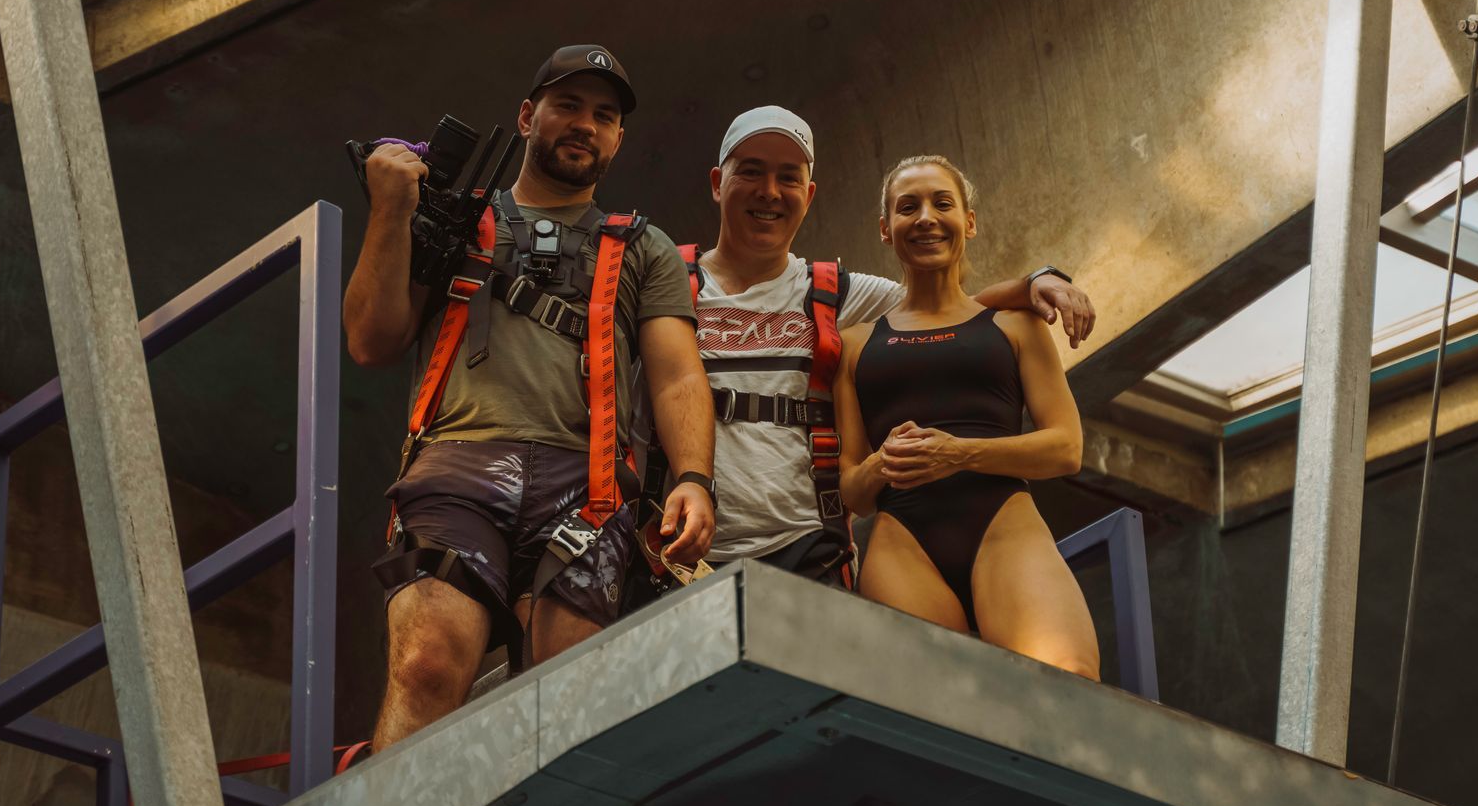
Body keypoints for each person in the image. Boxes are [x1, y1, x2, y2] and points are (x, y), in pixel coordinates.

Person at [345, 45, 717, 751]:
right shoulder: (453, 224)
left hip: (591, 488)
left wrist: (694, 476)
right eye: (568, 105)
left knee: (567, 703)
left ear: (618, 138)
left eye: (603, 116)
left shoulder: (645, 248)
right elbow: (371, 340)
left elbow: (676, 375)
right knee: (425, 667)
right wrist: (391, 214)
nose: (585, 124)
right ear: (526, 116)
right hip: (459, 466)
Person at [647, 108, 1095, 596]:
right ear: (718, 183)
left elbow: (951, 313)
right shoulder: (662, 279)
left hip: (808, 547)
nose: (769, 191)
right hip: (681, 548)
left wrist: (1037, 280)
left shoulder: (841, 293)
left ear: (809, 194)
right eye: (751, 171)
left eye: (788, 177)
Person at [834, 154, 1099, 679]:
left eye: (942, 203)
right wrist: (881, 465)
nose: (926, 217)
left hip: (1003, 523)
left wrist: (957, 453)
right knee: (934, 708)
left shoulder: (1016, 326)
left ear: (969, 222)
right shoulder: (854, 345)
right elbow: (851, 492)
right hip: (901, 538)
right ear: (887, 231)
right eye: (908, 207)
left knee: (1066, 684)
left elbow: (1066, 448)